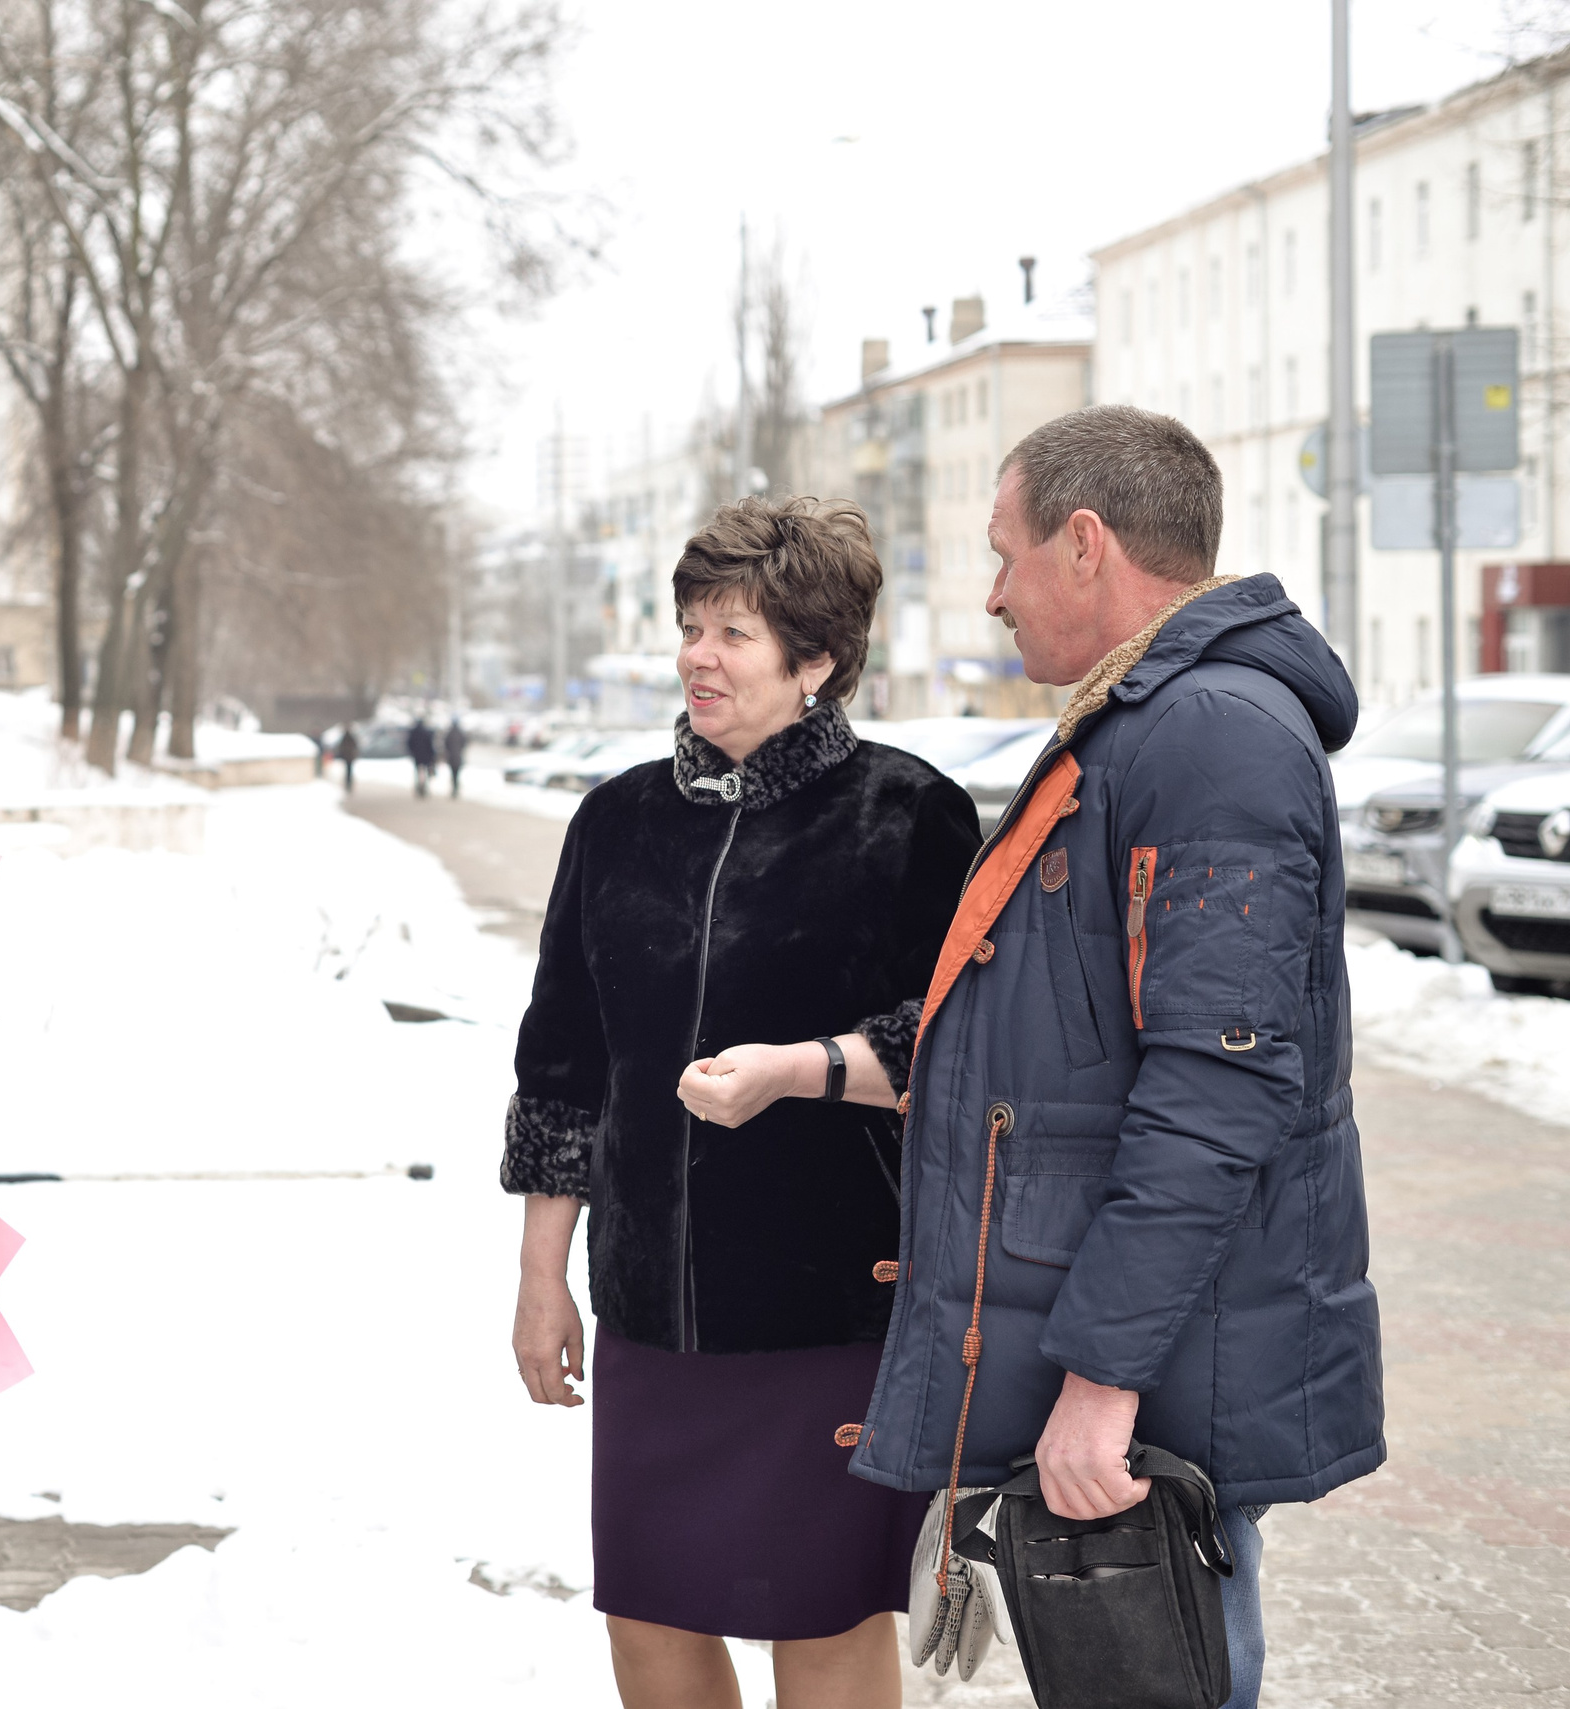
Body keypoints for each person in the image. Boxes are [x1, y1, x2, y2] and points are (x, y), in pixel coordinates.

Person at [848, 406, 1383, 1709]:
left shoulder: (1211, 738)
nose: (990, 595)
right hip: (1147, 1346)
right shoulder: (1154, 719)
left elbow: (1219, 1084)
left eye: (1004, 552)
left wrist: (1101, 1381)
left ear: (1084, 544)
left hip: (1155, 1374)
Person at [507, 497, 982, 1709]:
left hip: (826, 1309)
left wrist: (798, 1065)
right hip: (651, 1307)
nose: (697, 657)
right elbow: (562, 1066)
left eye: (732, 633)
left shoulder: (906, 812)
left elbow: (955, 1048)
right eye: (689, 626)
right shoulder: (614, 820)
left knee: (819, 1617)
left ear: (814, 662)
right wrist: (542, 1274)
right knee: (647, 1613)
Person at [406, 714, 437, 796]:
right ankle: (424, 787)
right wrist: (432, 755)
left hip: (417, 755)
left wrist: (412, 752)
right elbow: (430, 745)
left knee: (417, 772)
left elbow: (409, 743)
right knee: (425, 772)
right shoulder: (426, 732)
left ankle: (419, 788)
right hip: (425, 755)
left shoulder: (413, 732)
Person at [442, 717, 469, 798]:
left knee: (453, 773)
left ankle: (454, 788)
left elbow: (445, 744)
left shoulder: (449, 733)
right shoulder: (460, 733)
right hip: (457, 756)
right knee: (457, 774)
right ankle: (455, 788)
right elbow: (464, 743)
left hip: (451, 757)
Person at [335, 723, 361, 793]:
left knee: (348, 771)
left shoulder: (347, 737)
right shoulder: (349, 737)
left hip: (348, 757)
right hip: (349, 757)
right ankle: (348, 784)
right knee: (349, 771)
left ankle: (348, 784)